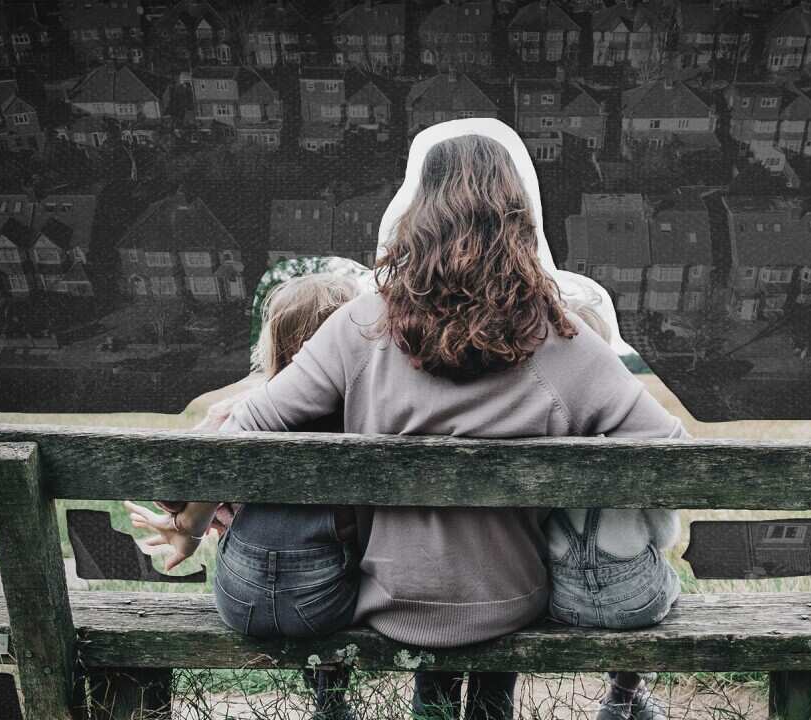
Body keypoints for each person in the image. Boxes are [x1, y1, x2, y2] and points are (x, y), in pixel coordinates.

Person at [158, 130, 688, 720]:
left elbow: (243, 433)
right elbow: (670, 456)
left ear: (417, 214)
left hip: (390, 602)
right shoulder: (561, 337)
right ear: (519, 221)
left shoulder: (360, 324)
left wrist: (190, 520)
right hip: (512, 598)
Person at [125, 272, 363, 719]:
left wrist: (190, 524)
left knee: (261, 536)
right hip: (325, 606)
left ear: (278, 344)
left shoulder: (245, 412)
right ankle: (330, 701)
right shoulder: (360, 414)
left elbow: (172, 489)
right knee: (333, 551)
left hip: (239, 601)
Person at [550, 299, 679, 720]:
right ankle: (622, 695)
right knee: (665, 576)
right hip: (635, 603)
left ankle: (626, 699)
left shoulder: (541, 433)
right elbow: (664, 537)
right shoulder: (634, 441)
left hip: (563, 603)